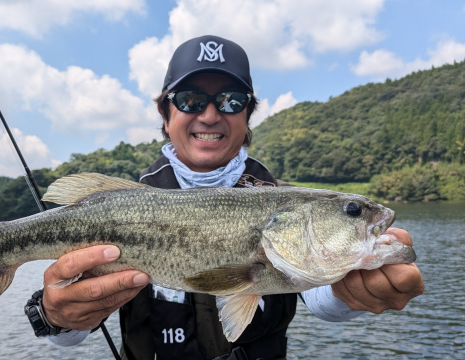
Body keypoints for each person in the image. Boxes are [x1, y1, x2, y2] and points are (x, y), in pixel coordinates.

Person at [29, 35, 424, 360]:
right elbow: (68, 334)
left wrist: (353, 291)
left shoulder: (282, 202)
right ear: (165, 116)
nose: (211, 114)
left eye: (232, 100)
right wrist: (56, 314)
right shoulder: (121, 204)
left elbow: (322, 296)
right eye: (190, 100)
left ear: (247, 116)